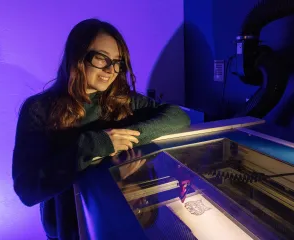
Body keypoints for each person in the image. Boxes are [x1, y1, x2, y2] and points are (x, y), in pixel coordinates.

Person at [12, 18, 190, 240]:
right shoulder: (39, 109)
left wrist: (126, 139)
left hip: (113, 218)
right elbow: (27, 189)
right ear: (77, 57)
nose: (111, 69)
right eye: (101, 58)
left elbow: (178, 117)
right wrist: (99, 144)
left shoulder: (123, 101)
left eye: (117, 62)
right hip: (69, 229)